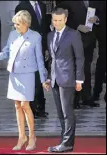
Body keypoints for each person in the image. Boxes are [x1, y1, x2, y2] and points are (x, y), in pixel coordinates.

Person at [0, 10, 48, 151]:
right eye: (14, 24)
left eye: (17, 24)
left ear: (25, 24)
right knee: (17, 105)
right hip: (15, 74)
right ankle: (21, 136)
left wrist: (43, 79)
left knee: (25, 104)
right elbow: (6, 53)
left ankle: (32, 137)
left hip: (28, 74)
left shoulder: (35, 37)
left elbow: (40, 60)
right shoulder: (12, 35)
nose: (15, 26)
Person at [46, 8, 84, 152]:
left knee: (68, 112)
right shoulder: (50, 35)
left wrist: (79, 80)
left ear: (65, 19)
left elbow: (80, 58)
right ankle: (64, 140)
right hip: (55, 79)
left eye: (60, 20)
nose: (57, 23)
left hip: (68, 78)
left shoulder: (73, 34)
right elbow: (52, 59)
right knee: (60, 113)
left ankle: (68, 143)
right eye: (54, 20)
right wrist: (49, 77)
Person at [56, 1, 100, 108]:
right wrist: (77, 26)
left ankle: (86, 97)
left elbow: (100, 13)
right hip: (74, 39)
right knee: (74, 69)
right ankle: (74, 100)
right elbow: (60, 17)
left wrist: (97, 19)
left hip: (90, 39)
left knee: (86, 69)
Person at [15, 0, 50, 118]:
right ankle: (32, 108)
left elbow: (45, 29)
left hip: (41, 47)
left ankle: (40, 107)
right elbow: (19, 29)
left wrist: (46, 48)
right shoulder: (22, 6)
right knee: (31, 79)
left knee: (41, 77)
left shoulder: (42, 6)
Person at [92, 1, 106, 102]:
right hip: (104, 36)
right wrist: (98, 19)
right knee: (102, 64)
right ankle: (96, 92)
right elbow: (96, 11)